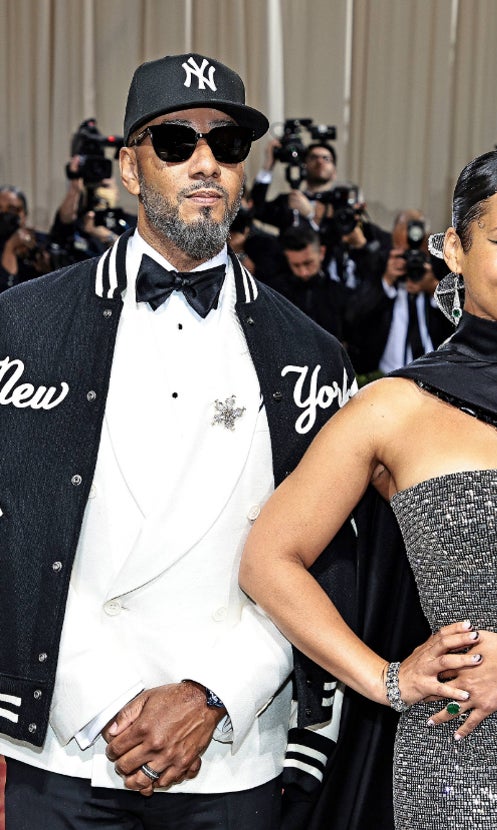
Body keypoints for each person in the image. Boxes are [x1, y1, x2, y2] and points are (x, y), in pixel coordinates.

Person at [0, 52, 357, 828]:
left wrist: (212, 695)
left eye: (227, 145)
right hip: (65, 742)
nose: (205, 164)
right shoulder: (19, 328)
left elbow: (324, 560)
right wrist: (103, 700)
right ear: (130, 167)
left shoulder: (312, 357)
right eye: (174, 143)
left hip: (231, 752)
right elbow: (16, 528)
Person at [239, 146, 497, 829]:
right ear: (454, 248)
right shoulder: (391, 407)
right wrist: (387, 679)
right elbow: (267, 558)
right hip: (453, 770)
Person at [343, 209, 455, 381]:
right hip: (384, 375)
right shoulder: (378, 264)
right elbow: (352, 317)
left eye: (415, 249)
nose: (409, 257)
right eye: (402, 250)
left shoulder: (444, 268)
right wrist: (386, 281)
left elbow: (464, 320)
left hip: (435, 375)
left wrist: (433, 287)